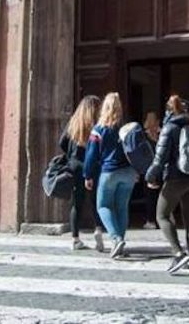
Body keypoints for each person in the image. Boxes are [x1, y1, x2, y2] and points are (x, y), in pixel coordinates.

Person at [145, 95, 189, 275]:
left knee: (161, 215)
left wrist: (150, 176)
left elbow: (159, 158)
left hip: (175, 178)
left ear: (168, 110)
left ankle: (178, 253)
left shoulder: (169, 128)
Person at [83, 92, 138, 259]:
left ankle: (116, 238)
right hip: (128, 172)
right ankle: (120, 242)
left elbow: (91, 155)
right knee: (122, 207)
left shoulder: (98, 130)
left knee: (103, 206)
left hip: (109, 172)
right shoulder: (127, 127)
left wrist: (88, 175)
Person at [59, 95, 105, 252]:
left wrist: (71, 154)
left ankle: (75, 239)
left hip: (75, 166)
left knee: (76, 204)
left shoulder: (73, 123)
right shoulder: (98, 124)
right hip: (93, 166)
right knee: (95, 201)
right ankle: (98, 230)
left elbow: (62, 142)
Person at [142, 112, 160, 230]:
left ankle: (151, 220)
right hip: (161, 168)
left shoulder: (143, 136)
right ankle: (161, 219)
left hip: (149, 168)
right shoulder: (162, 133)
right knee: (161, 196)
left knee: (150, 196)